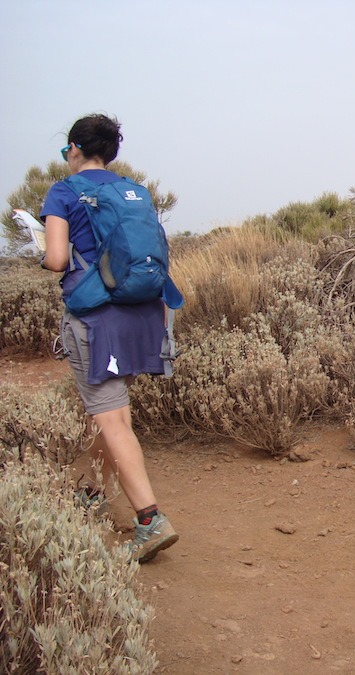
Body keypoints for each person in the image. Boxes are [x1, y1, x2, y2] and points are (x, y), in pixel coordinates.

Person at [40, 113, 178, 563]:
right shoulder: (133, 192)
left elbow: (58, 259)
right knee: (114, 415)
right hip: (143, 317)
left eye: (67, 150)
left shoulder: (64, 192)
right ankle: (96, 491)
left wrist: (41, 255)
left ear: (76, 148)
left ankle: (149, 520)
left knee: (112, 420)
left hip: (98, 319)